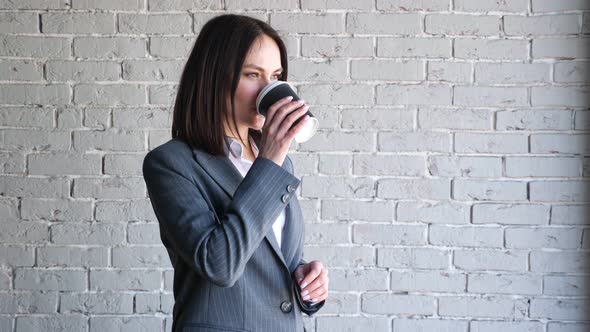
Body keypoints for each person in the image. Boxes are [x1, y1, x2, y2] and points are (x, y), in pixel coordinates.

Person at [142, 14, 329, 332]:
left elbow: (270, 257)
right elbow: (220, 264)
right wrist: (269, 161)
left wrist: (306, 283)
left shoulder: (279, 163)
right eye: (252, 75)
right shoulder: (171, 164)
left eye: (276, 75)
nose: (269, 89)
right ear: (215, 80)